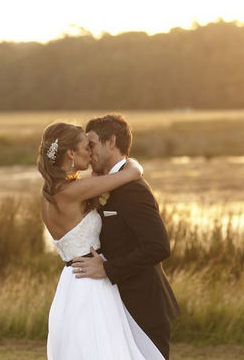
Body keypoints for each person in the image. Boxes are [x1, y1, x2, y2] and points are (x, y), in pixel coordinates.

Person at [38, 122, 165, 360]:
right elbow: (132, 173)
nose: (90, 152)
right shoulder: (73, 191)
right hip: (91, 281)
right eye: (86, 147)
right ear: (71, 153)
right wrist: (132, 161)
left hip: (71, 280)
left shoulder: (49, 193)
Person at [71, 113, 180, 359]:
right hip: (114, 305)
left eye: (92, 144)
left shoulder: (133, 190)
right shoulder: (105, 183)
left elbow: (158, 246)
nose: (89, 153)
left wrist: (107, 269)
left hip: (143, 305)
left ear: (111, 142)